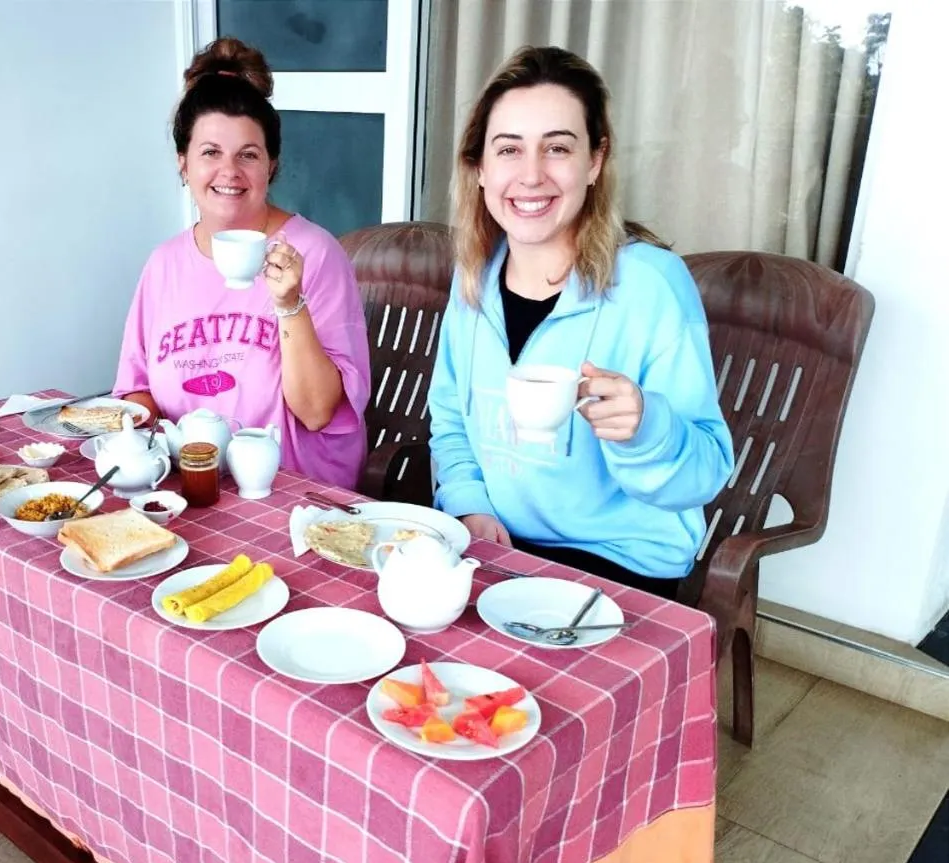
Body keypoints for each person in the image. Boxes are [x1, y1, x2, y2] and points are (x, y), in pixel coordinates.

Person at [427, 46, 735, 599]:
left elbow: (709, 470)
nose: (531, 175)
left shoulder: (651, 287)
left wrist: (646, 429)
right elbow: (450, 419)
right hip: (496, 543)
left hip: (619, 562)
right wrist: (469, 502)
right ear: (479, 168)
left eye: (558, 148)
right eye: (509, 150)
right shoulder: (474, 277)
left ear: (594, 161)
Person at [110, 38, 371, 490]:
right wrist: (137, 445)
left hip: (292, 498)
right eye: (210, 152)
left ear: (271, 165)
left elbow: (316, 410)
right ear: (183, 164)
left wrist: (291, 304)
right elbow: (137, 392)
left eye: (248, 155)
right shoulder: (164, 264)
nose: (229, 172)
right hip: (190, 487)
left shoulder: (314, 254)